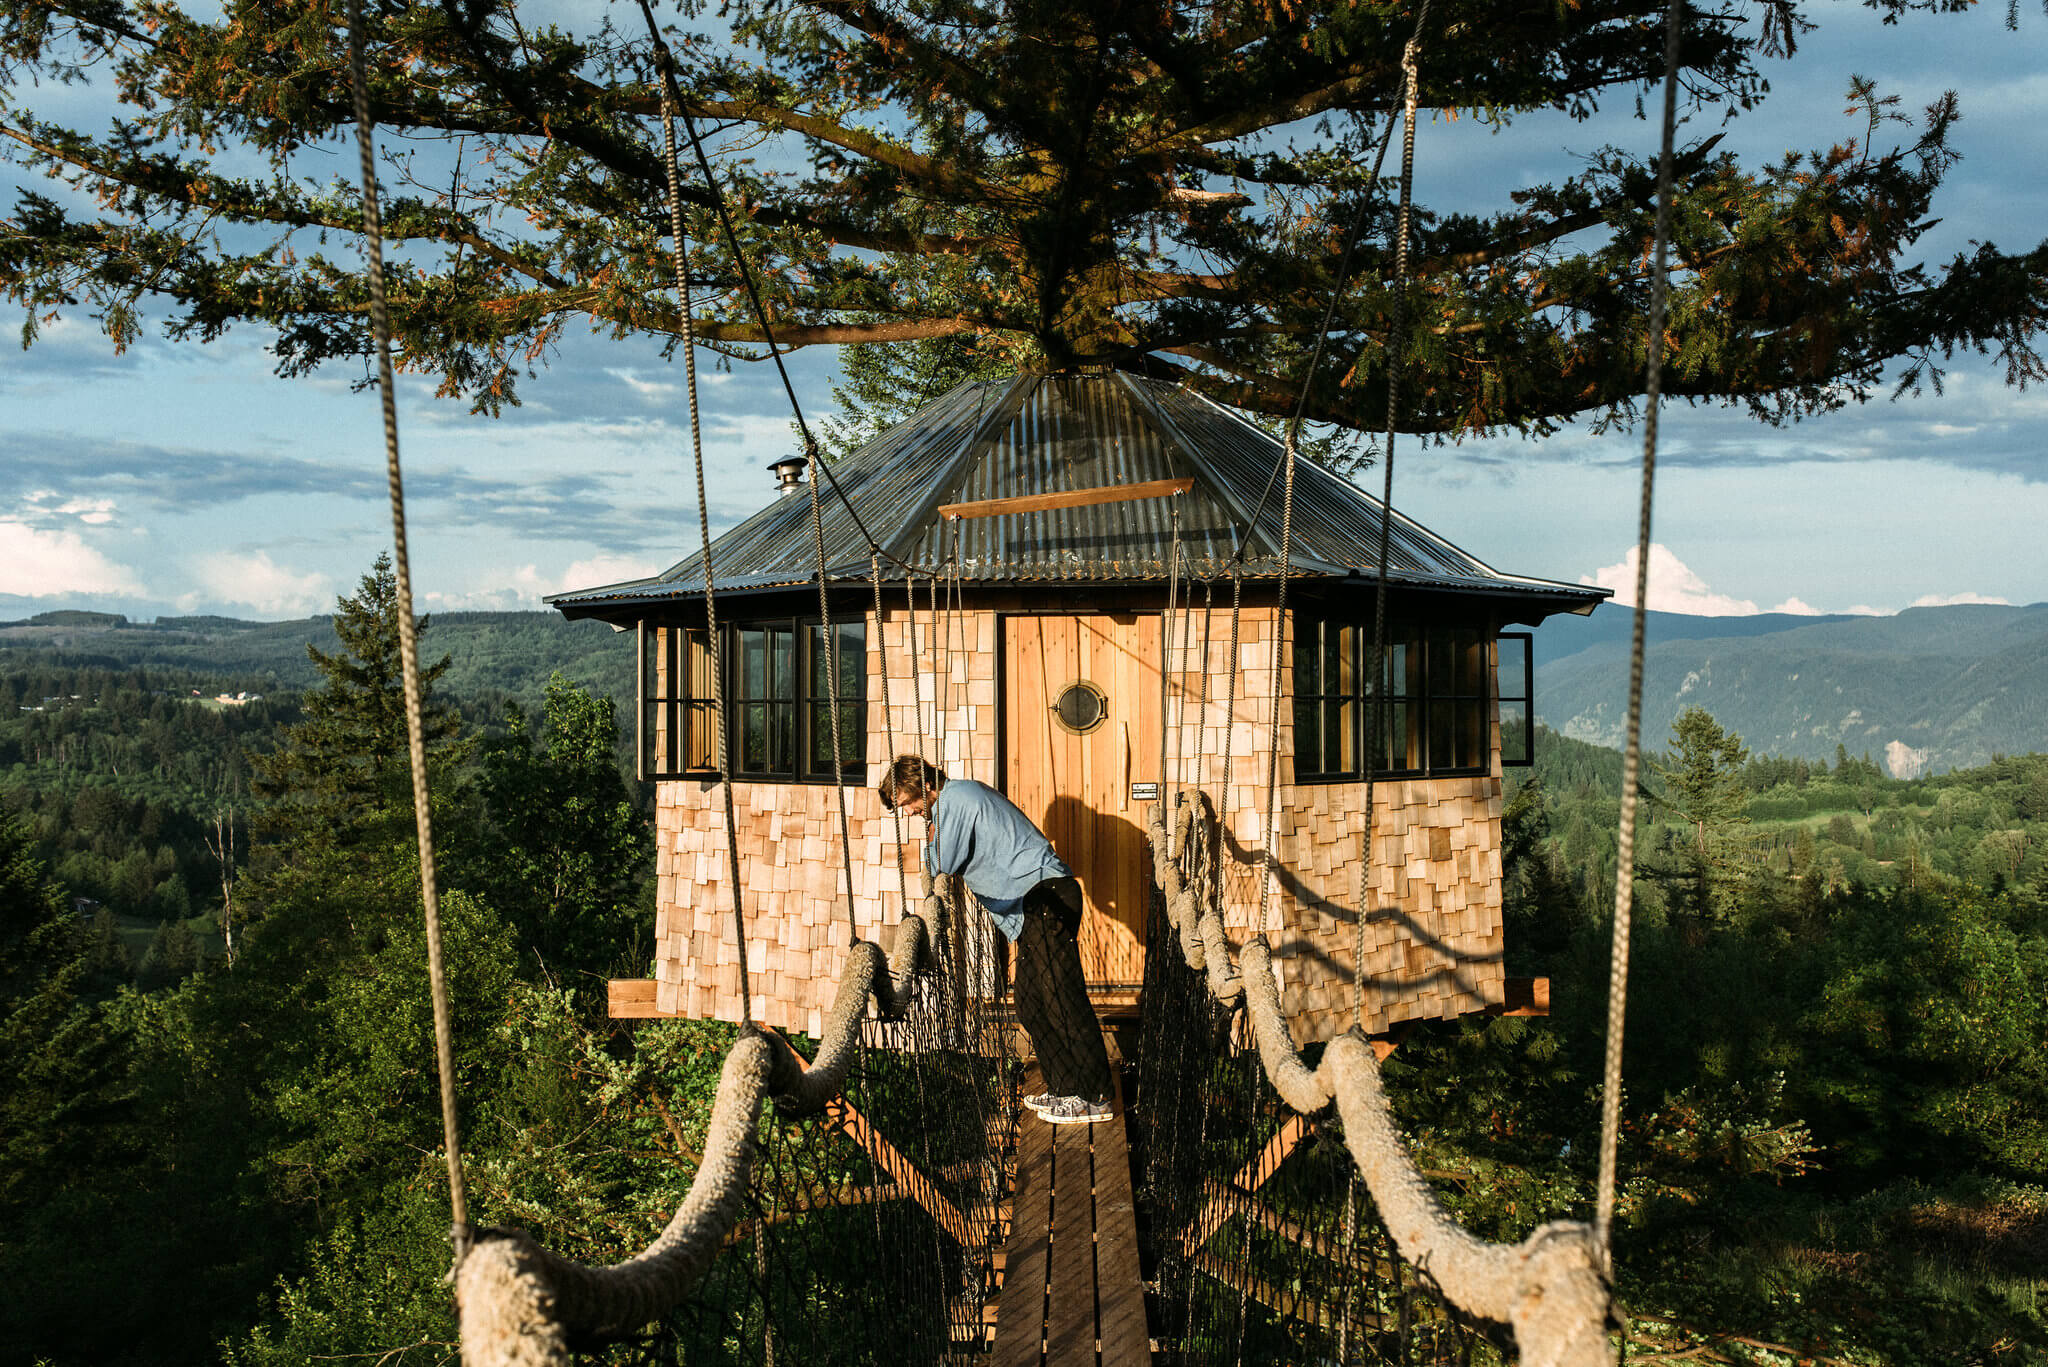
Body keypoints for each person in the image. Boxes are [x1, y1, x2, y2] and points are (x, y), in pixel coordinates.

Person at [877, 755, 1114, 1125]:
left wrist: (928, 846)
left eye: (905, 802)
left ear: (923, 785)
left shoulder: (955, 798)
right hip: (1034, 906)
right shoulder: (954, 803)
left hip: (1045, 896)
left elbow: (941, 860)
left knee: (1060, 998)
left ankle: (1094, 1096)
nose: (906, 812)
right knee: (1032, 1001)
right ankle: (1068, 1090)